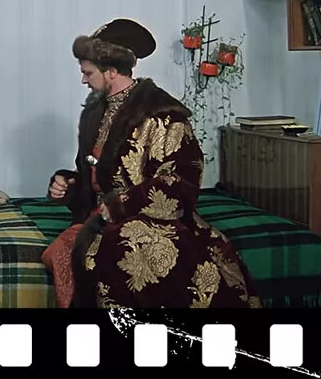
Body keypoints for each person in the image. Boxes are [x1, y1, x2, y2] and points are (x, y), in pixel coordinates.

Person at [42, 17, 263, 309]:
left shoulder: (162, 114)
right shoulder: (95, 113)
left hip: (148, 218)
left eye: (88, 73)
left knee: (119, 249)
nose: (83, 80)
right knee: (63, 251)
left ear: (111, 71)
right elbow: (97, 176)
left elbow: (181, 182)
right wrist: (70, 185)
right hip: (100, 217)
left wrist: (121, 204)